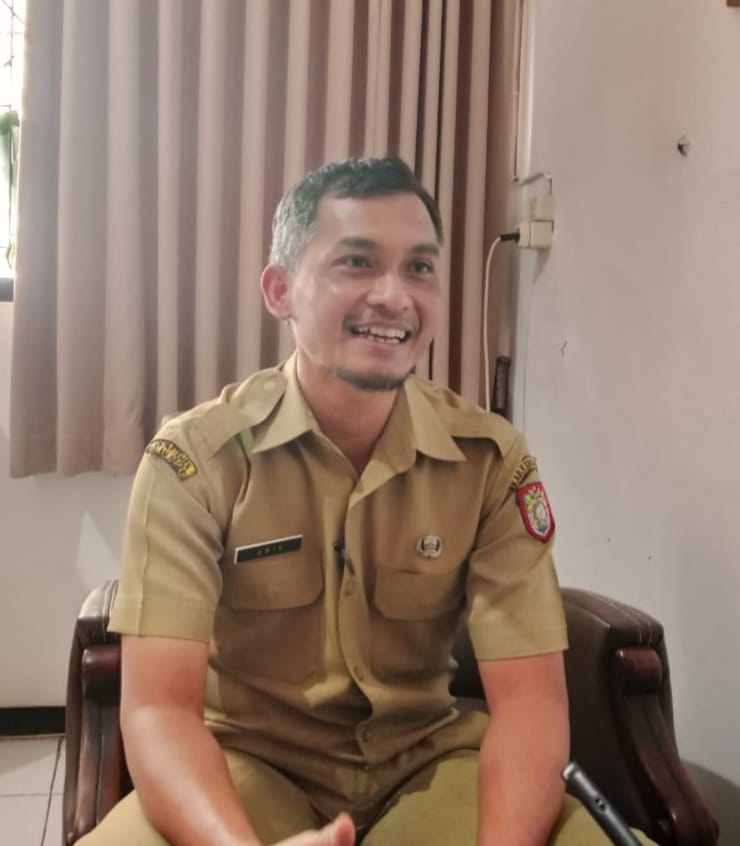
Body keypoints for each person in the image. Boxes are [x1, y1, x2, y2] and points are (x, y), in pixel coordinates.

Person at [79, 156, 655, 846]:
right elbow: (159, 711)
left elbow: (529, 703)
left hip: (431, 767)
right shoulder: (196, 461)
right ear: (280, 291)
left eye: (420, 268)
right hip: (248, 768)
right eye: (356, 263)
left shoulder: (489, 461)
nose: (394, 296)